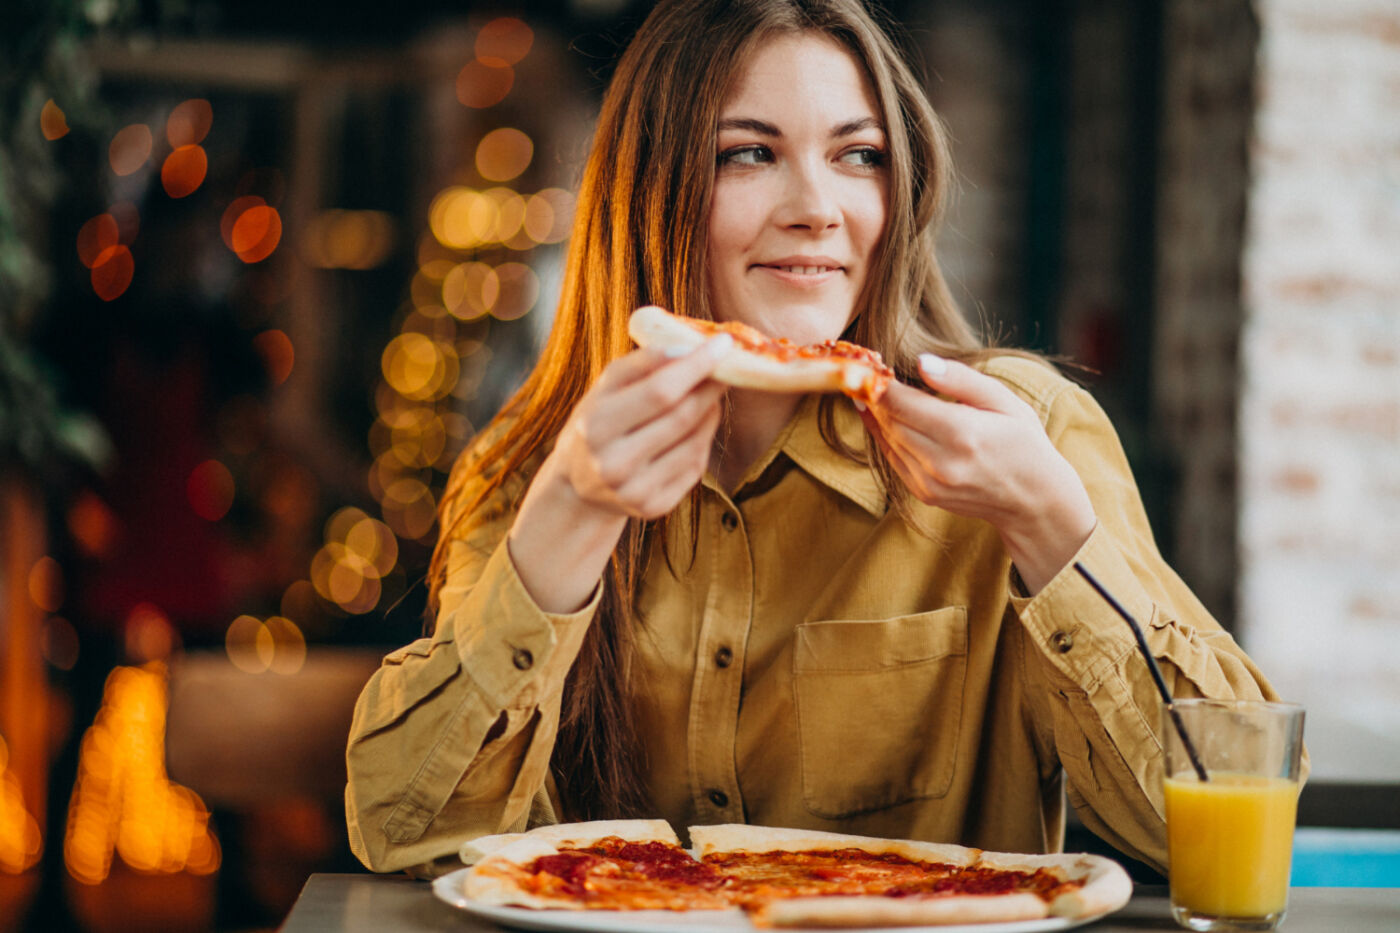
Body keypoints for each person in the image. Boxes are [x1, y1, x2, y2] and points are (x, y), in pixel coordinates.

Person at [345, 0, 1286, 879]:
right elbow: (406, 834)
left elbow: (1221, 831)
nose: (818, 207)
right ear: (652, 190)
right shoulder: (533, 463)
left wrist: (1049, 524)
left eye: (860, 155)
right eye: (750, 154)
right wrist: (570, 518)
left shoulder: (1023, 431)